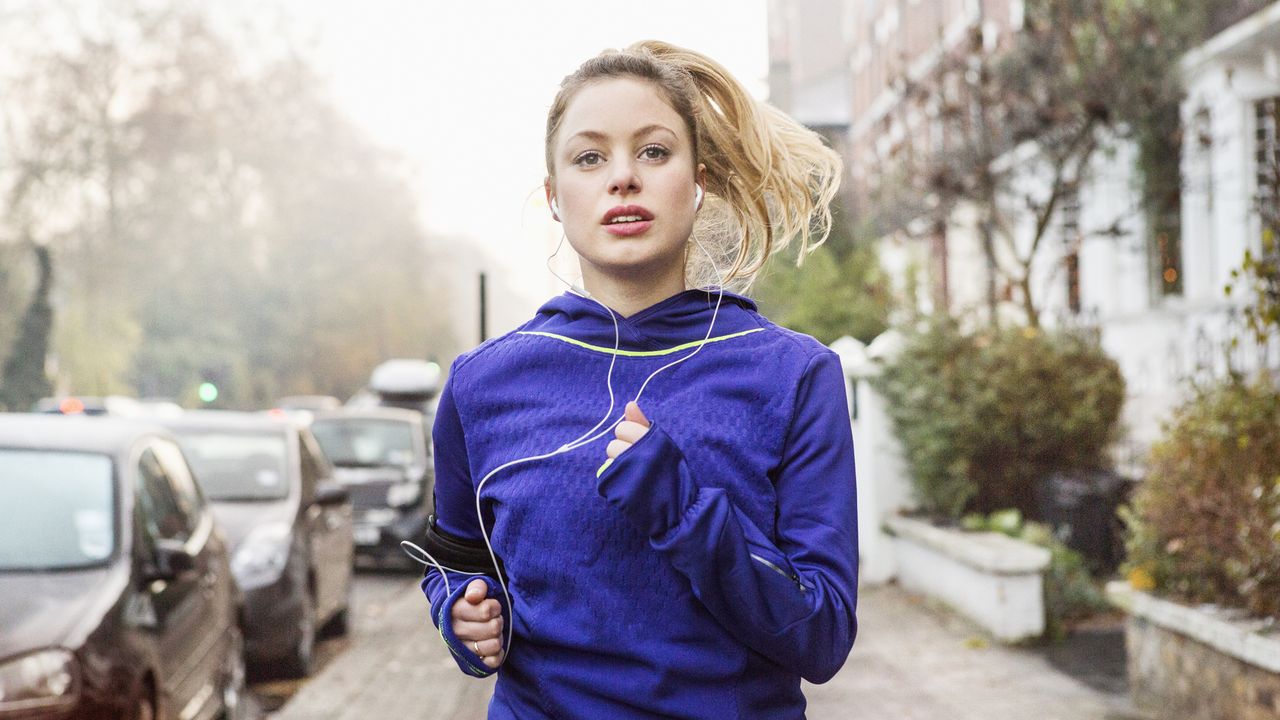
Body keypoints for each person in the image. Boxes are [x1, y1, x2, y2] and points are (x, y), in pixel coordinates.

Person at [415, 39, 858, 719]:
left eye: (654, 151)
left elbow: (822, 636)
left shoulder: (795, 376)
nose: (623, 178)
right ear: (555, 196)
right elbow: (455, 559)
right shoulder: (482, 383)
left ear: (698, 180)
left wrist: (681, 509)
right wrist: (462, 615)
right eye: (589, 158)